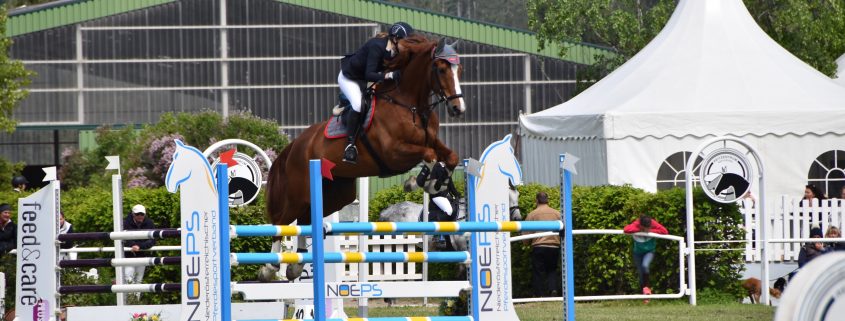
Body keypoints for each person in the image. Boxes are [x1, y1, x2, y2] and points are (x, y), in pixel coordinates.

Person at [338, 22, 414, 164]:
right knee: (358, 105)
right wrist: (389, 76)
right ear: (395, 39)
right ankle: (350, 146)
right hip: (349, 78)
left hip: (365, 78)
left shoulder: (395, 51)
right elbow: (369, 74)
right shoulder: (376, 46)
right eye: (406, 42)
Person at [522, 192, 561, 297]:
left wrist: (525, 243)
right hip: (554, 246)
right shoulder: (557, 213)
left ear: (537, 201)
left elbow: (526, 232)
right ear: (547, 200)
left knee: (538, 271)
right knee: (552, 270)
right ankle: (553, 290)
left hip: (539, 246)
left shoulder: (532, 214)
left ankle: (539, 294)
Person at [623, 214, 668, 304]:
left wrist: (651, 230)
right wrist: (640, 230)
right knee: (641, 273)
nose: (648, 229)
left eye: (649, 227)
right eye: (646, 228)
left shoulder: (653, 223)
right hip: (637, 253)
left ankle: (647, 291)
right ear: (641, 225)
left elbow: (665, 231)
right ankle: (645, 294)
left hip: (649, 251)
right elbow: (626, 229)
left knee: (645, 265)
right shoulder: (637, 224)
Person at [416, 162, 460, 250]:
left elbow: (449, 183)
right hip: (437, 195)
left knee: (456, 207)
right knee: (448, 211)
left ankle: (448, 242)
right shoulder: (435, 166)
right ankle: (437, 235)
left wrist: (456, 194)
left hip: (445, 195)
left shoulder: (445, 166)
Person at [123, 204, 156, 283]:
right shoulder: (125, 223)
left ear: (145, 214)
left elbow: (153, 240)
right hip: (128, 255)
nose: (140, 216)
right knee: (128, 279)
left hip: (142, 254)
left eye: (142, 214)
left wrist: (138, 246)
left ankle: (135, 296)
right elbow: (124, 238)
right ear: (133, 214)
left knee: (138, 280)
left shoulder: (149, 223)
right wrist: (133, 245)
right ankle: (129, 295)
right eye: (137, 214)